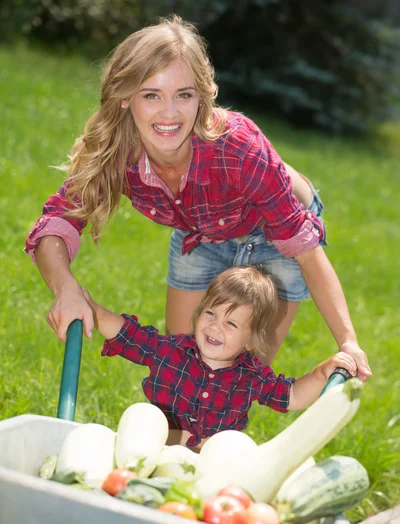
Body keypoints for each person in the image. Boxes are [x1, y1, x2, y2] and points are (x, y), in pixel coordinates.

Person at [24, 15, 371, 379]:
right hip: (203, 233)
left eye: (184, 95)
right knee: (180, 378)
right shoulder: (116, 150)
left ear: (202, 97)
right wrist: (66, 289)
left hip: (276, 235)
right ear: (125, 97)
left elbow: (305, 252)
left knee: (225, 383)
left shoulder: (238, 149)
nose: (169, 113)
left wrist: (347, 341)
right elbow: (57, 222)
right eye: (151, 95)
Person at [81, 265, 358, 449]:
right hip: (158, 454)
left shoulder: (251, 376)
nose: (215, 327)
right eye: (211, 314)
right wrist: (92, 309)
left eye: (231, 324)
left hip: (214, 467)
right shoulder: (171, 352)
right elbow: (129, 335)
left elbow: (292, 396)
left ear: (250, 340)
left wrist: (323, 372)